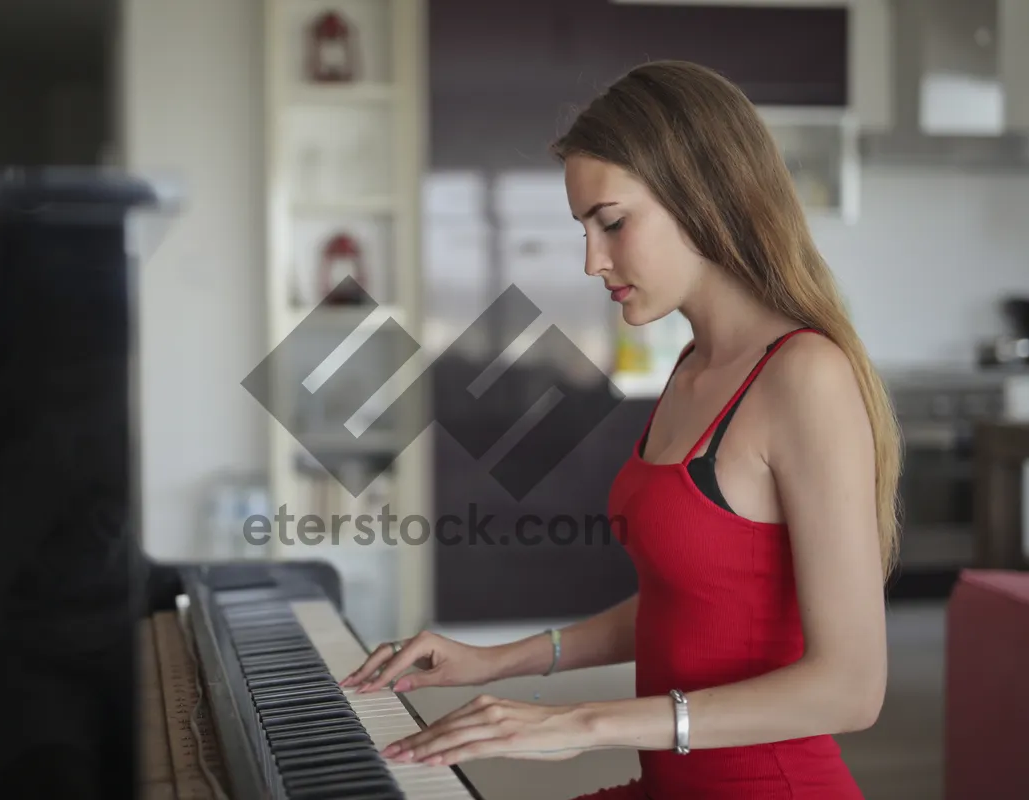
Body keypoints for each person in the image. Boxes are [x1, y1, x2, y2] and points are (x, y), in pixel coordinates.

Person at [339, 60, 900, 799]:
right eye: (583, 229)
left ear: (703, 196)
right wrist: (495, 659)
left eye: (612, 223)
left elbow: (851, 689)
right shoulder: (696, 365)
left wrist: (584, 724)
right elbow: (693, 604)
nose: (591, 260)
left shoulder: (804, 377)